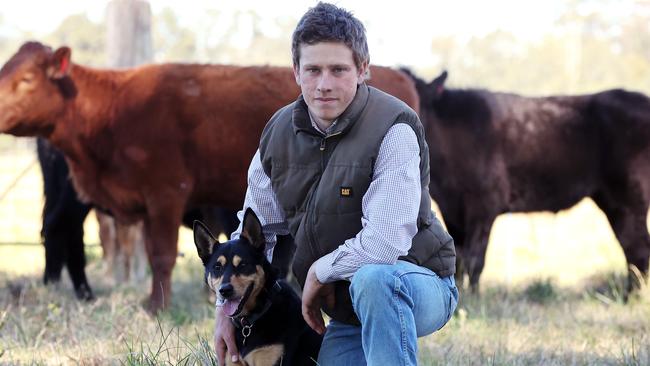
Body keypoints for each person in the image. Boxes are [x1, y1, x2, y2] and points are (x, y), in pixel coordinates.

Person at [214, 2, 458, 365]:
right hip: (347, 311)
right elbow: (255, 235)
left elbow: (385, 244)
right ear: (296, 71)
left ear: (363, 69)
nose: (324, 85)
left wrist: (317, 272)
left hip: (416, 283)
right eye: (313, 70)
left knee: (374, 280)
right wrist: (225, 309)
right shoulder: (276, 135)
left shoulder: (394, 129)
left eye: (338, 70)